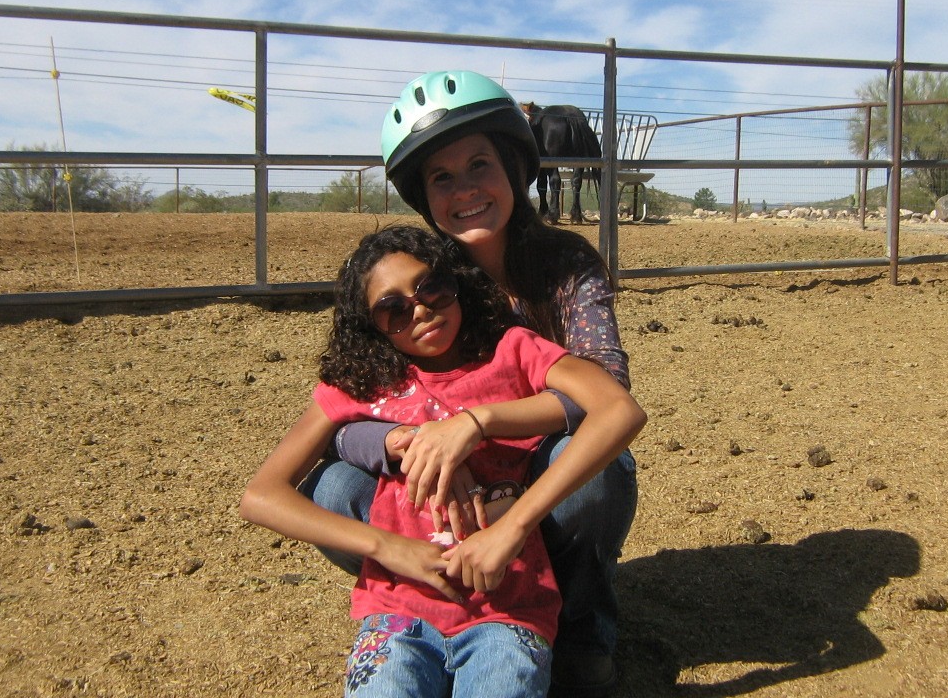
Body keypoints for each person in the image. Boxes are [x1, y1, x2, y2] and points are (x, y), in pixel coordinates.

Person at [302, 70, 637, 696]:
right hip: (443, 478)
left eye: (479, 165)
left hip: (537, 474)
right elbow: (355, 401)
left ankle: (580, 625)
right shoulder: (419, 280)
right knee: (333, 487)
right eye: (442, 177)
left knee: (598, 474)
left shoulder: (566, 266)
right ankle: (425, 592)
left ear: (513, 167)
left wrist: (476, 423)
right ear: (424, 196)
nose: (466, 191)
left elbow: (604, 386)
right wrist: (412, 443)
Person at [241, 225, 646, 697]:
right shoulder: (363, 386)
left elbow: (620, 408)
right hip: (397, 613)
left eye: (431, 287)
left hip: (509, 610)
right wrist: (385, 547)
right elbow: (260, 495)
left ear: (456, 282)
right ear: (372, 326)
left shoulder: (512, 350)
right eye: (393, 309)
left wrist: (511, 528)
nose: (421, 311)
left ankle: (581, 638)